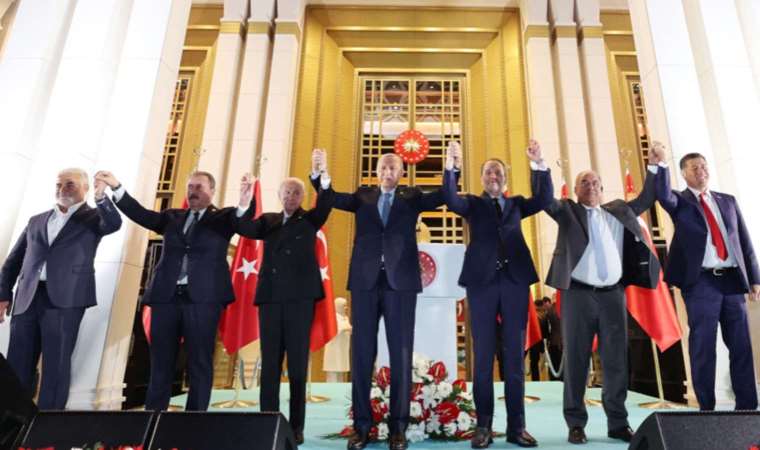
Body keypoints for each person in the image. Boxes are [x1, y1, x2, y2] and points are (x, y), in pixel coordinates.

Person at [311, 151, 457, 450]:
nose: (388, 171)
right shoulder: (363, 196)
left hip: (400, 284)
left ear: (401, 172)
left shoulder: (412, 197)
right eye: (383, 167)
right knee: (362, 355)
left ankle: (398, 429)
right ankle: (362, 427)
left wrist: (451, 167)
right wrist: (321, 175)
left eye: (393, 167)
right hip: (365, 283)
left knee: (401, 354)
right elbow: (332, 198)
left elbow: (444, 195)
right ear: (376, 171)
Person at [94, 169, 253, 411]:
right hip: (166, 298)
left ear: (212, 190)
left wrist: (244, 202)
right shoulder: (172, 217)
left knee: (199, 363)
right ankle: (154, 420)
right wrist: (116, 187)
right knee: (160, 364)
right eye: (190, 187)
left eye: (199, 187)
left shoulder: (223, 218)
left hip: (203, 300)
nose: (193, 192)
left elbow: (241, 221)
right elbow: (141, 214)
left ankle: (193, 422)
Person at [543, 153, 662, 445]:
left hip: (613, 296)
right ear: (575, 190)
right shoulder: (568, 211)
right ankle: (575, 423)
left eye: (595, 182)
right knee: (576, 360)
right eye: (584, 182)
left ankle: (618, 423)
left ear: (602, 188)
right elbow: (545, 200)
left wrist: (655, 166)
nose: (591, 185)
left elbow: (647, 198)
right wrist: (539, 166)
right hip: (578, 295)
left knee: (616, 361)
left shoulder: (619, 210)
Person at [442, 140, 552, 448]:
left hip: (515, 283)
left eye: (499, 172)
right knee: (483, 358)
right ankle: (483, 427)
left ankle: (517, 428)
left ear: (505, 178)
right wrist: (452, 167)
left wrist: (538, 163)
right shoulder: (472, 204)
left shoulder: (516, 203)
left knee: (515, 358)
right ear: (482, 178)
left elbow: (545, 199)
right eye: (489, 172)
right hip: (482, 284)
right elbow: (450, 198)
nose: (494, 176)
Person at [0, 168, 122, 409]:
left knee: (55, 367)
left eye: (70, 184)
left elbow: (113, 223)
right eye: (59, 184)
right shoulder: (36, 220)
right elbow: (13, 261)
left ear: (85, 188)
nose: (62, 189)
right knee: (17, 366)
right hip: (27, 299)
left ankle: (48, 426)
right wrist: (3, 294)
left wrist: (101, 197)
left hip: (66, 301)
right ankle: (14, 422)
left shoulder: (93, 218)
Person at [651, 142, 759, 411]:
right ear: (684, 174)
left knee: (741, 345)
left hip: (732, 281)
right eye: (694, 168)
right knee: (703, 346)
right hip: (701, 283)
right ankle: (706, 408)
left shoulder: (727, 200)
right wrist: (660, 164)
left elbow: (743, 240)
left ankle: (747, 406)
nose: (701, 171)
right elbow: (662, 194)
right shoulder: (680, 201)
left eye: (703, 166)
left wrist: (755, 278)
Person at [235, 158, 334, 445]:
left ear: (303, 197)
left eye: (296, 192)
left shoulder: (310, 219)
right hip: (270, 300)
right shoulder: (268, 221)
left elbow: (326, 203)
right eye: (287, 192)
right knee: (270, 366)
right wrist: (245, 199)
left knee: (298, 368)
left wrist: (321, 174)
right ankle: (268, 422)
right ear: (280, 196)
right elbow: (244, 227)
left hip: (300, 302)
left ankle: (297, 427)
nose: (291, 196)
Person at [323, 297, 352, 382]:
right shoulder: (331, 317)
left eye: (346, 305)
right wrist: (346, 328)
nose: (346, 308)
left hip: (342, 350)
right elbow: (333, 330)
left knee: (340, 376)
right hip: (334, 351)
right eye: (344, 306)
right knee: (332, 376)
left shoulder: (345, 318)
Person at [542, 296, 562, 381]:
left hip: (554, 342)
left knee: (554, 364)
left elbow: (545, 328)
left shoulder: (549, 312)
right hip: (565, 342)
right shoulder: (567, 310)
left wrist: (546, 339)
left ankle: (554, 381)